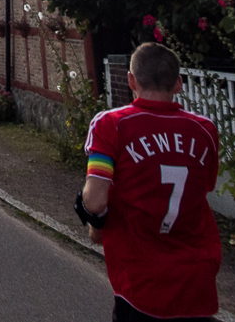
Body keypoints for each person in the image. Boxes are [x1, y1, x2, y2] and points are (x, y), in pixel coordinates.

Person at [79, 42, 221, 321]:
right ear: (178, 83)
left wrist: (93, 223)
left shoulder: (112, 125)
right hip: (197, 279)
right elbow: (202, 189)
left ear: (131, 80)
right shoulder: (204, 130)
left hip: (140, 281)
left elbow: (95, 202)